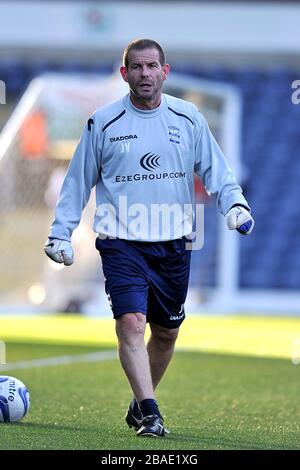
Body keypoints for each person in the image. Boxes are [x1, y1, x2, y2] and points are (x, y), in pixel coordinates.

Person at [44, 38, 254, 438]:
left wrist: (235, 206)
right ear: (124, 74)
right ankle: (152, 412)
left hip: (174, 241)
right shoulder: (102, 121)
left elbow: (217, 171)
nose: (144, 74)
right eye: (136, 67)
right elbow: (77, 182)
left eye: (151, 66)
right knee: (131, 322)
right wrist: (61, 233)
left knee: (166, 332)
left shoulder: (188, 117)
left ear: (164, 71)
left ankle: (139, 401)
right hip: (121, 240)